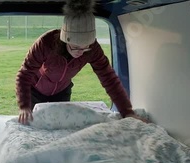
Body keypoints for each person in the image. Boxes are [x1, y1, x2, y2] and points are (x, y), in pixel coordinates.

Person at [15, 0, 146, 124]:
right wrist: (24, 106)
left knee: (59, 124)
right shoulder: (45, 43)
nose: (80, 52)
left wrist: (127, 111)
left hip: (62, 91)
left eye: (85, 47)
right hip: (35, 91)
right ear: (65, 39)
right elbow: (24, 74)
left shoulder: (93, 49)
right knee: (32, 123)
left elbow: (109, 79)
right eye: (76, 47)